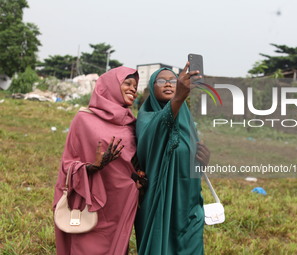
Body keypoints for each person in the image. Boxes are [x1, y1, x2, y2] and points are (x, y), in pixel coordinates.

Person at [53, 66, 145, 255]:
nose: (133, 89)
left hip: (122, 199)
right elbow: (68, 162)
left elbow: (135, 159)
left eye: (135, 86)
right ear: (110, 86)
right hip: (91, 196)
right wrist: (91, 167)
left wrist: (140, 174)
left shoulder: (132, 123)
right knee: (86, 245)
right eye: (127, 83)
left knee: (116, 247)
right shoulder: (84, 119)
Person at [135, 63, 210, 254]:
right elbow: (158, 131)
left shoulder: (186, 120)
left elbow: (190, 159)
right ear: (152, 87)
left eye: (172, 81)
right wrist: (179, 97)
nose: (168, 84)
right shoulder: (146, 118)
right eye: (161, 81)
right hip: (159, 202)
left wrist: (202, 160)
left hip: (188, 203)